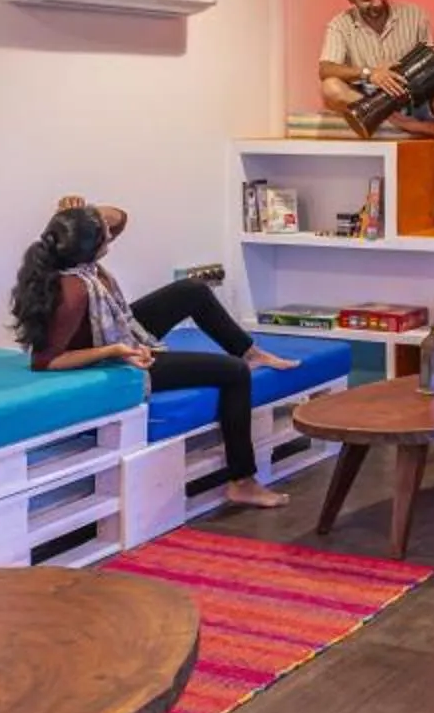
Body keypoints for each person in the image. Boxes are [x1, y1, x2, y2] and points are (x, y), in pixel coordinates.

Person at [15, 200, 292, 509]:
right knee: (234, 373)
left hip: (121, 332)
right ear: (91, 246)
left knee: (193, 290)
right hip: (110, 356)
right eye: (104, 233)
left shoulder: (78, 261)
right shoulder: (74, 290)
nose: (111, 234)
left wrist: (82, 209)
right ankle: (243, 482)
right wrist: (116, 350)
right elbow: (46, 361)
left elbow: (120, 218)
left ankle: (249, 351)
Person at [317, 0, 434, 227]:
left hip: (416, 93)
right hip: (372, 99)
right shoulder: (340, 25)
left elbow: (430, 61)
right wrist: (370, 73)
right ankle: (404, 124)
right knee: (329, 87)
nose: (377, 3)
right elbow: (325, 68)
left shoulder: (415, 15)